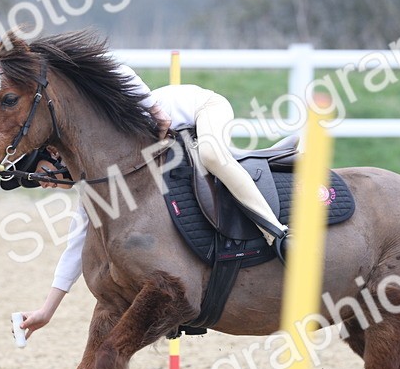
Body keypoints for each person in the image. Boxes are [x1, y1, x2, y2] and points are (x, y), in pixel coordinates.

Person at [19, 67, 289, 339]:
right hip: (179, 134)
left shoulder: (115, 136)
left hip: (205, 108)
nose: (44, 184)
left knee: (212, 157)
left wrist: (156, 114)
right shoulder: (95, 186)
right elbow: (75, 245)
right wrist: (46, 311)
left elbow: (120, 69)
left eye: (41, 175)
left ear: (54, 154)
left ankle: (276, 232)